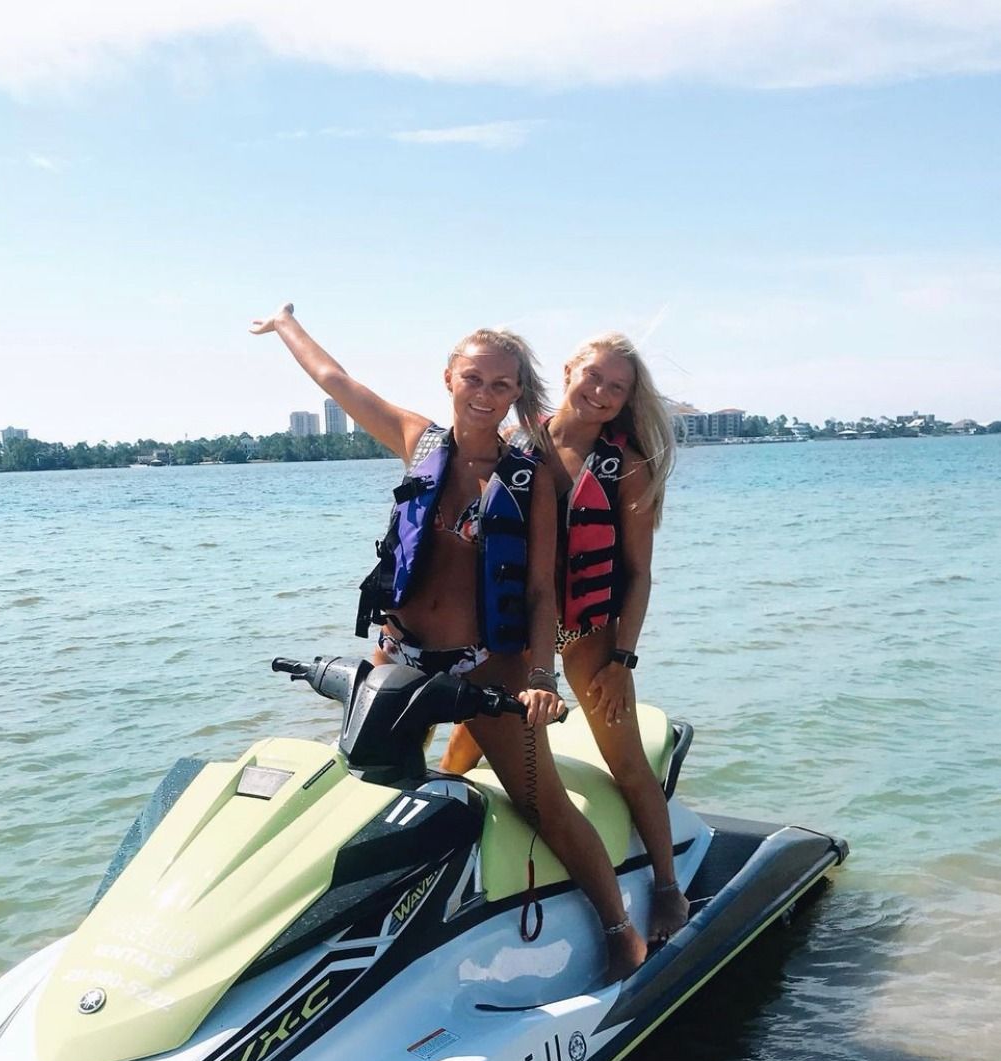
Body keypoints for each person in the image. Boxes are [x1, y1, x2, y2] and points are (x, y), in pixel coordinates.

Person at [250, 303, 647, 980]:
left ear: (518, 393)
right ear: (449, 379)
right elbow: (336, 381)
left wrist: (541, 680)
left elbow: (543, 594)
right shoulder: (418, 439)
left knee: (540, 799)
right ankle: (333, 924)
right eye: (474, 379)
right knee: (359, 788)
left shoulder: (528, 478)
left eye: (502, 385)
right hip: (397, 656)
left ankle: (618, 927)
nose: (486, 394)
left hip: (486, 665)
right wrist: (286, 324)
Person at [442, 331, 690, 945]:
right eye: (594, 377)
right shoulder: (519, 443)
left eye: (618, 387)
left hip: (588, 633)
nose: (602, 393)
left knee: (626, 762)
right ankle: (452, 876)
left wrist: (622, 662)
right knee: (457, 756)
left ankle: (666, 887)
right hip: (518, 632)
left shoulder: (625, 466)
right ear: (569, 370)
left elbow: (638, 574)